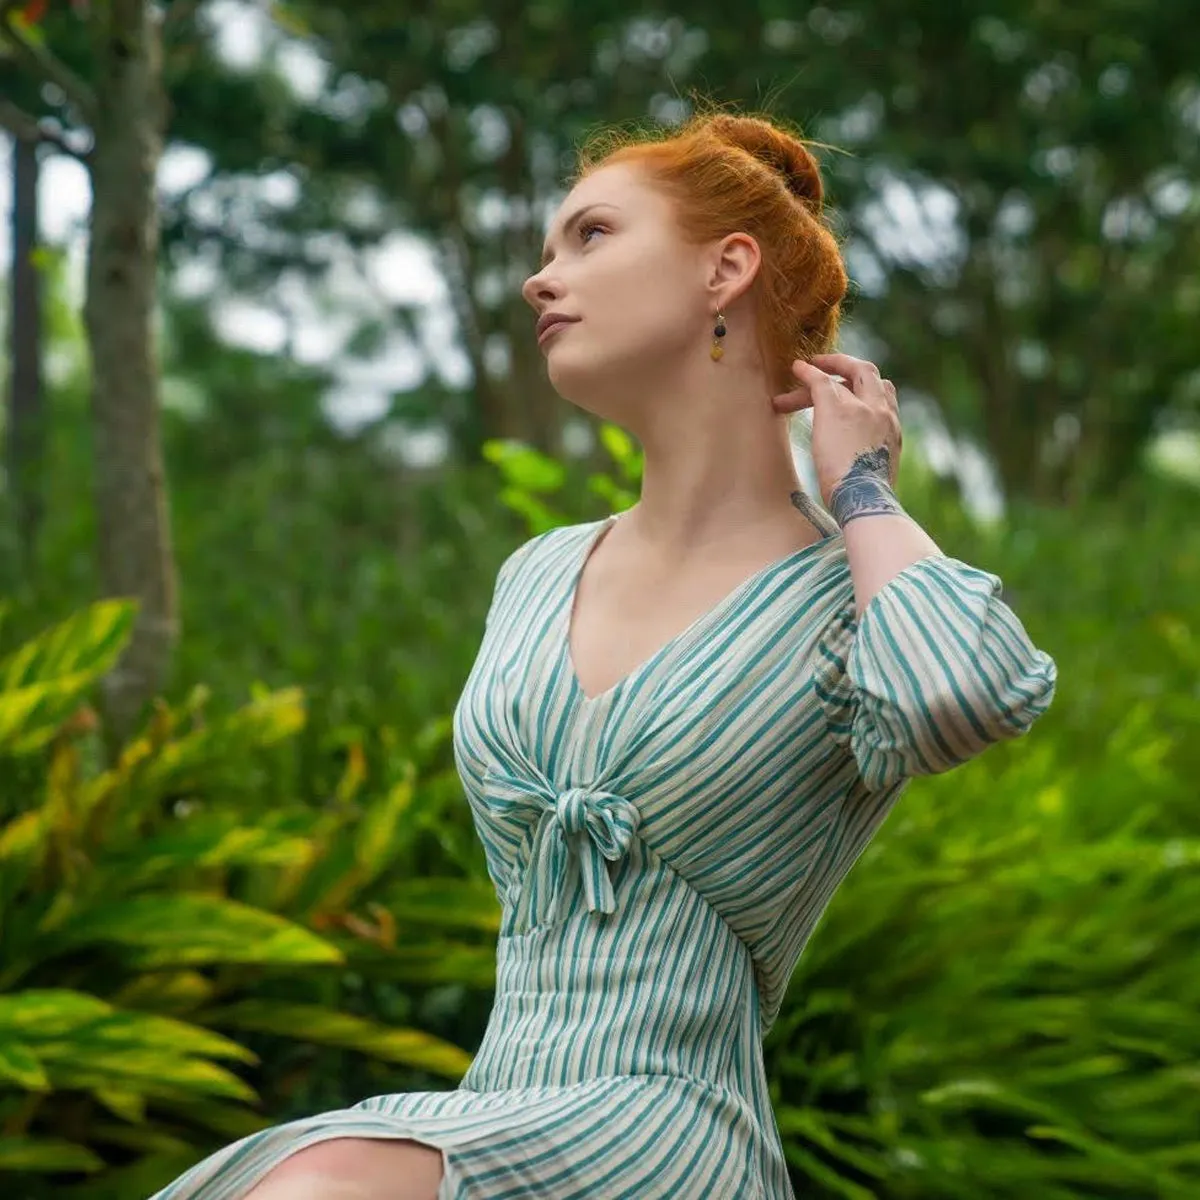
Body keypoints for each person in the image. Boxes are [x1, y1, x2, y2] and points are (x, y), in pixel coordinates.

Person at [151, 109, 1057, 1200]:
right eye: (545, 250)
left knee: (322, 1181)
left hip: (668, 1131)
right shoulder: (536, 572)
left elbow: (960, 694)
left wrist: (861, 488)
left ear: (726, 269)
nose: (541, 279)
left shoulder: (848, 591)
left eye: (589, 236)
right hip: (493, 1113)